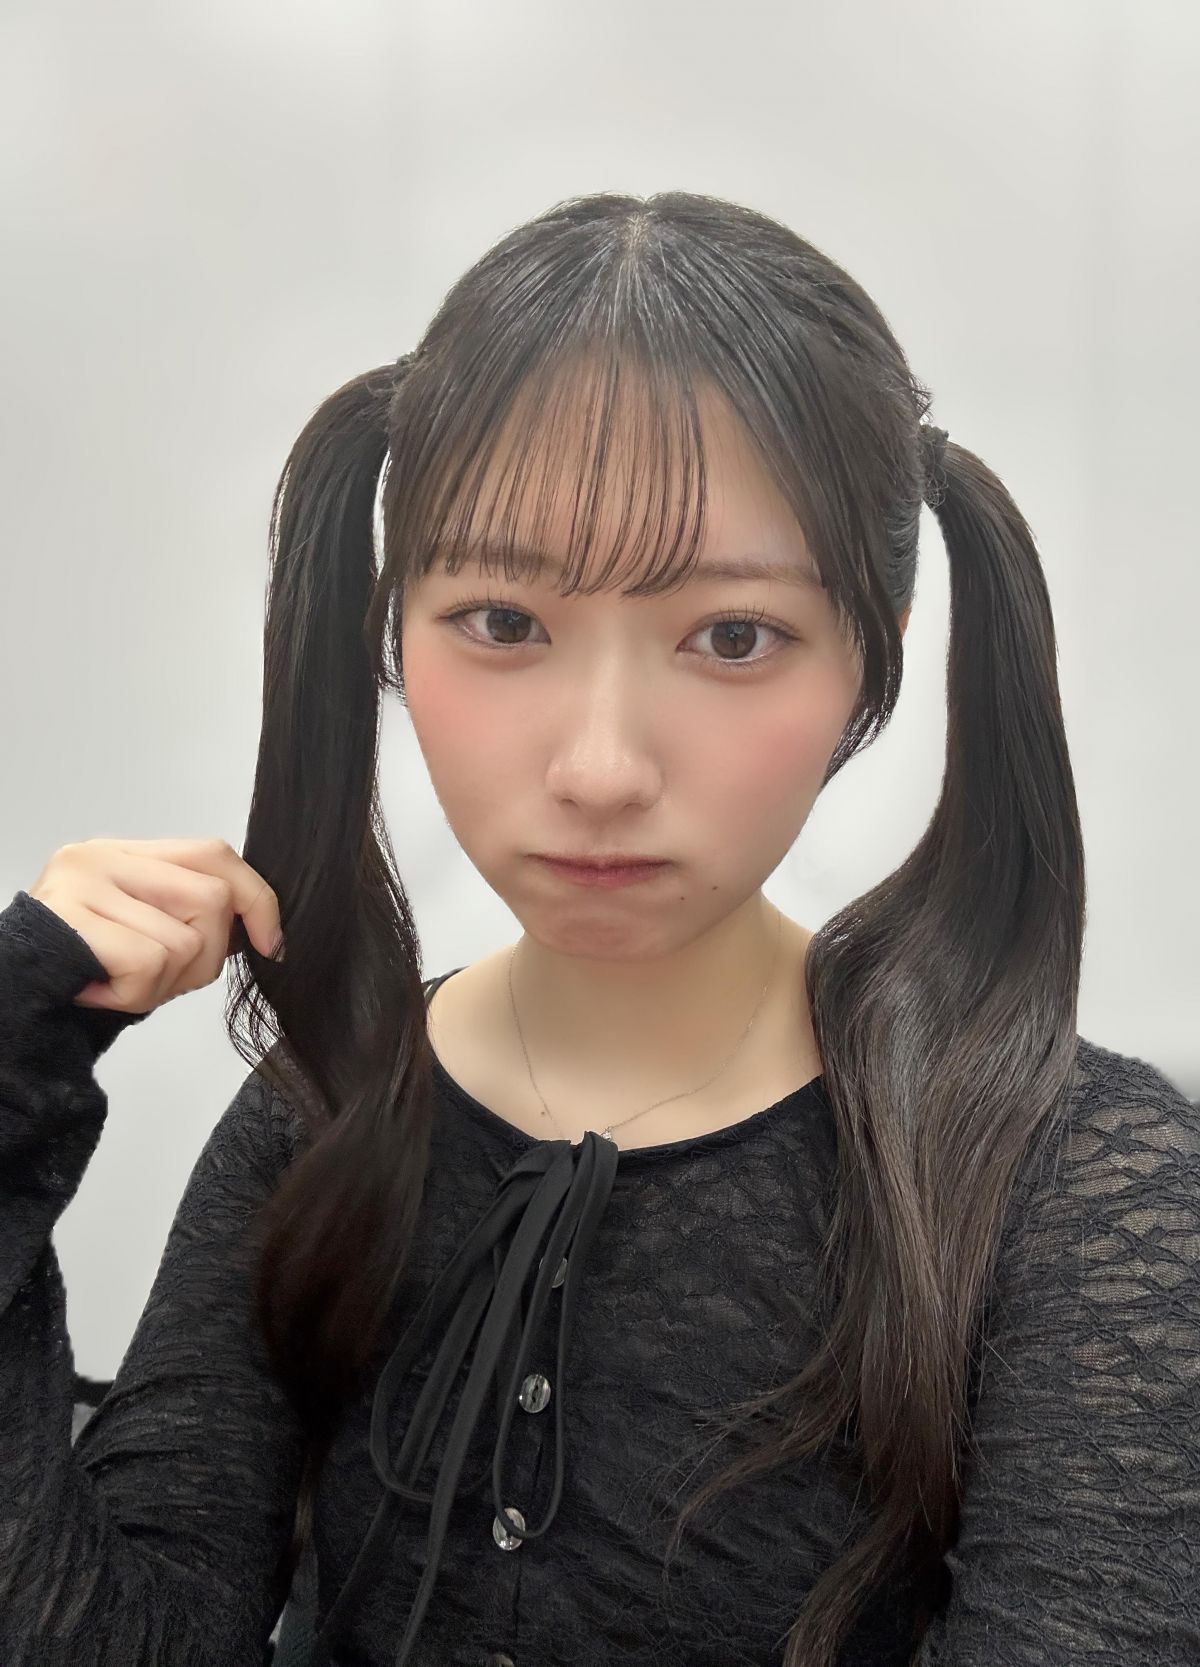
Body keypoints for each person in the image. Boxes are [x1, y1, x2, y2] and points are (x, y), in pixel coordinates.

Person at [2, 190, 1196, 1667]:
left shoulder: (1072, 1188)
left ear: (869, 667)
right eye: (504, 623)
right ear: (393, 633)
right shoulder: (325, 1116)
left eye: (734, 637)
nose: (602, 769)